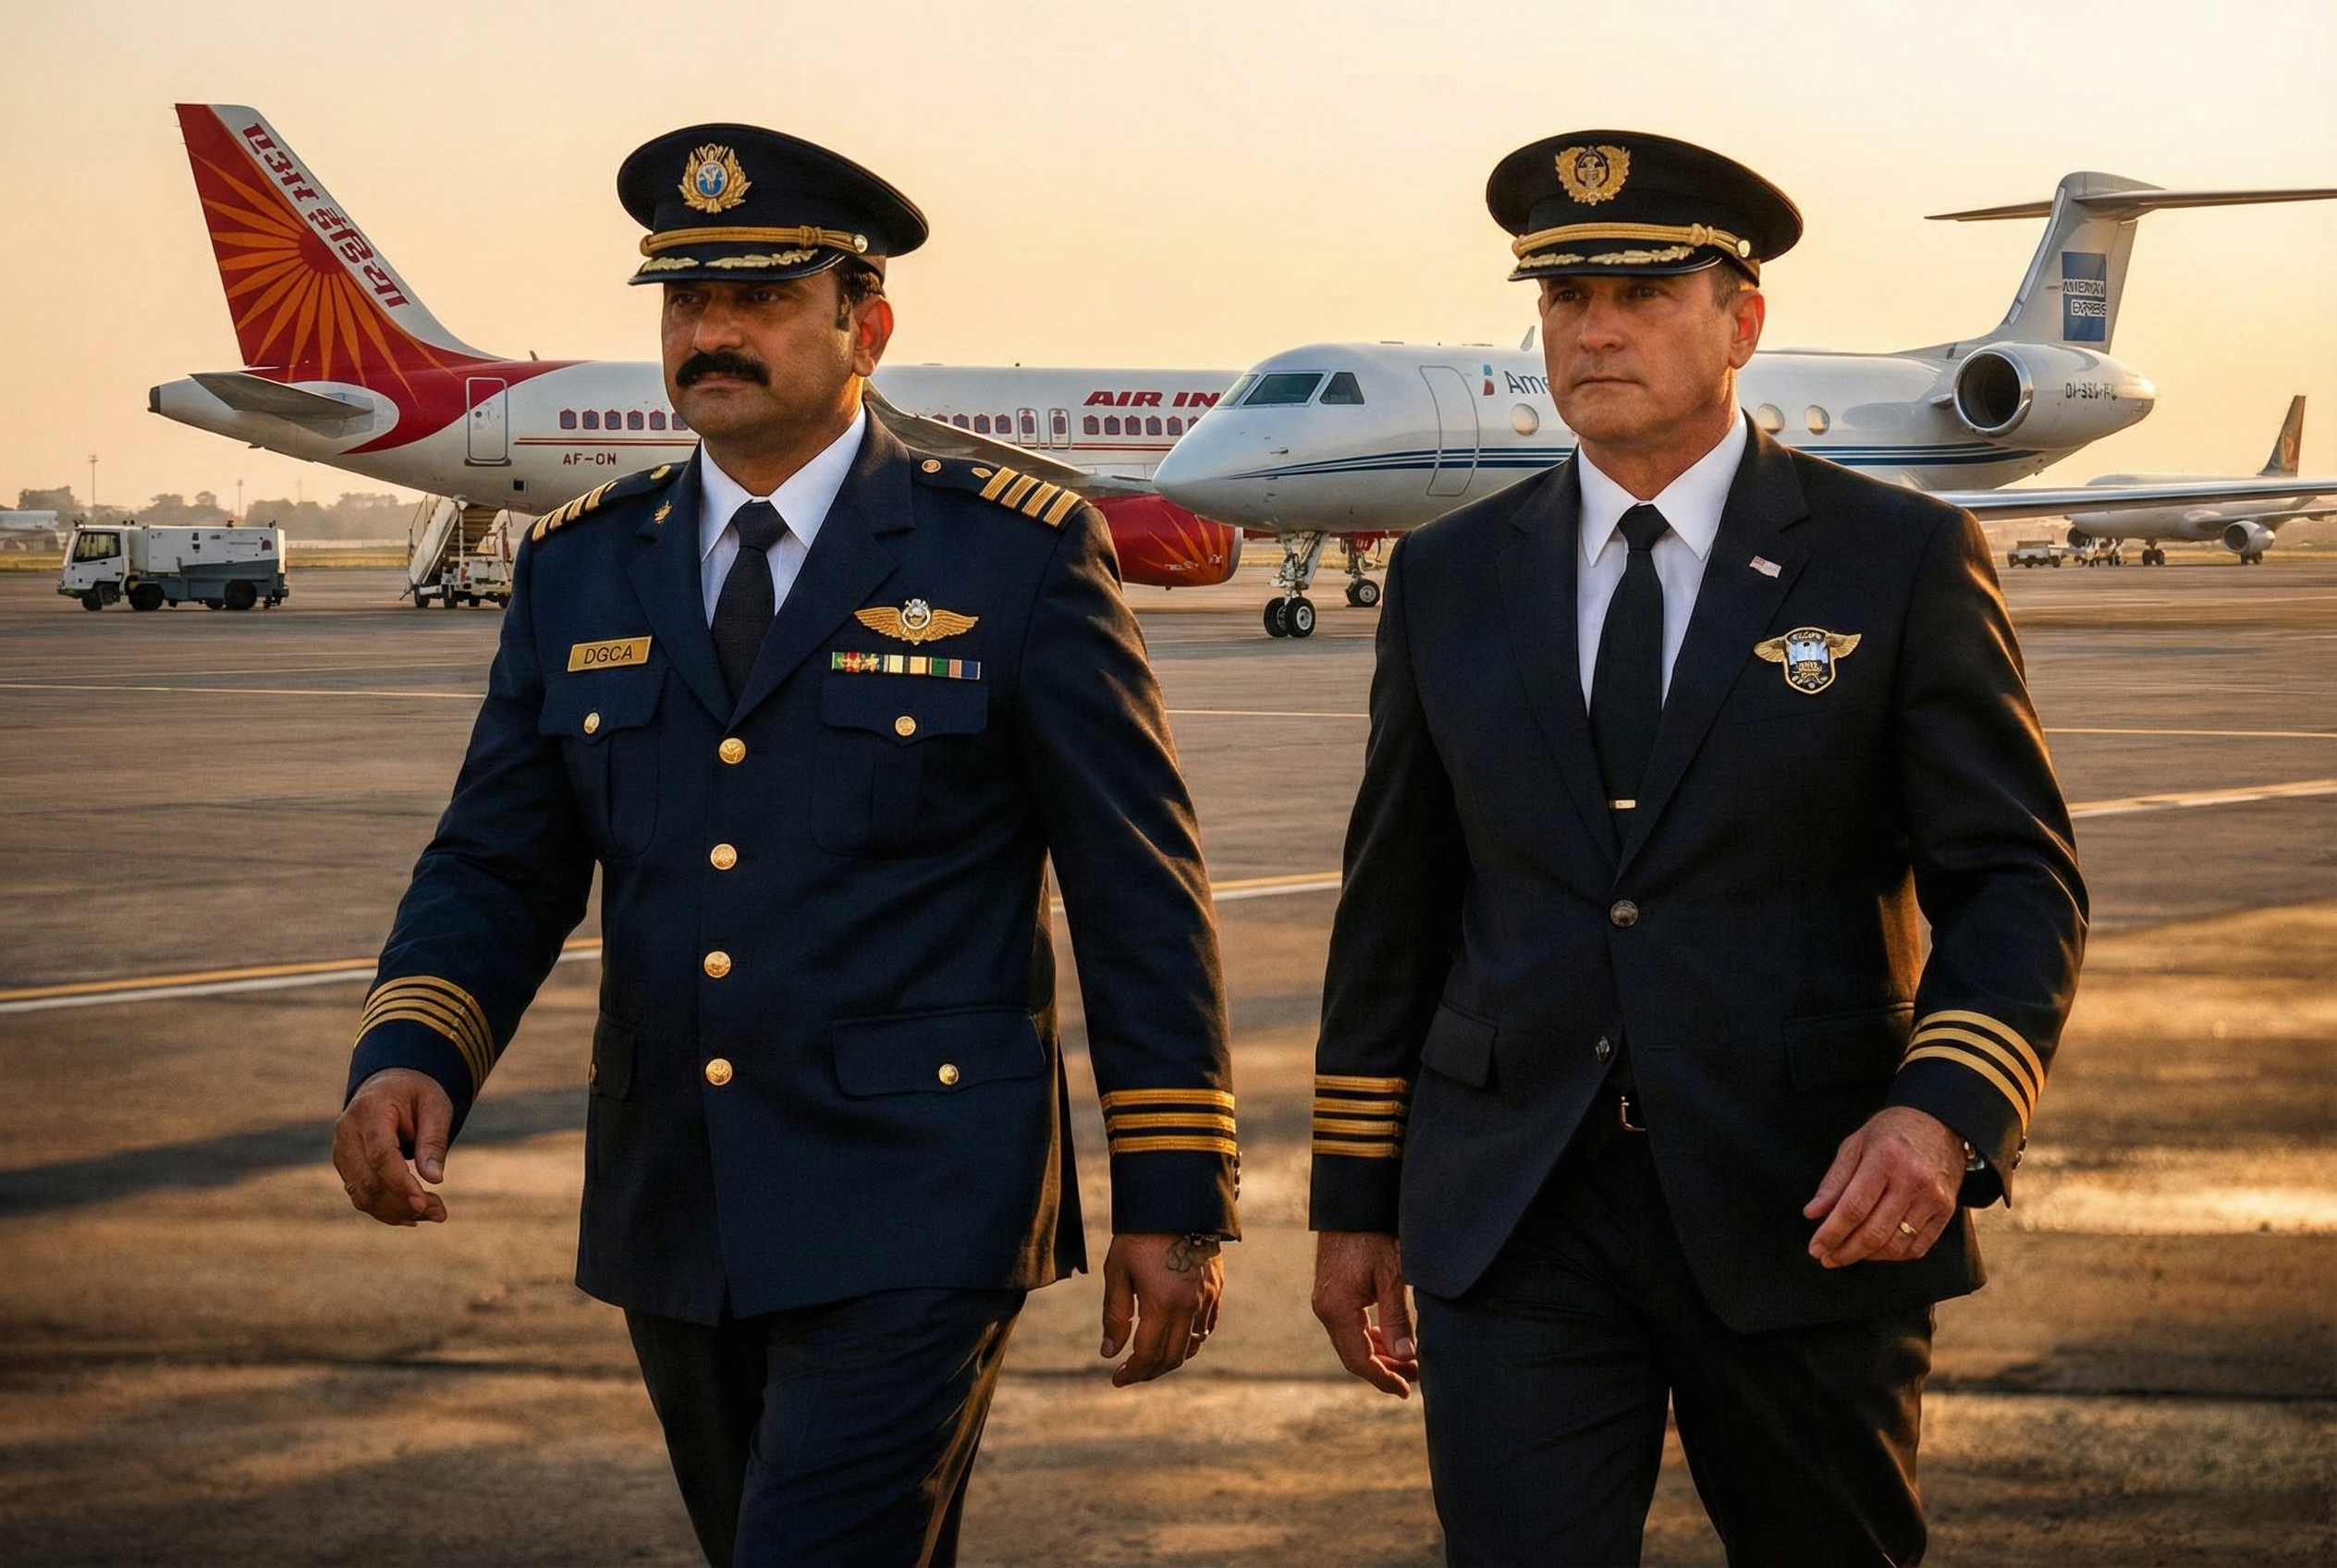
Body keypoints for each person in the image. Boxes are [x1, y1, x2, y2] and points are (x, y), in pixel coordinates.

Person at [331, 124, 1238, 1568]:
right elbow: (498, 860)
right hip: (677, 1194)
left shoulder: (1012, 552)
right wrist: (412, 1050)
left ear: (865, 326)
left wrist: (1176, 1197)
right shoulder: (580, 564)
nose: (712, 335)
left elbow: (1139, 889)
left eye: (758, 301)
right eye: (687, 305)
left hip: (924, 1196)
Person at [1308, 130, 2086, 1565]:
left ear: (1743, 322)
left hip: (1806, 1199)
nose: (1595, 329)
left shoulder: (1895, 558)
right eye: (1562, 298)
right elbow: (1396, 908)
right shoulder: (1450, 575)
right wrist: (1355, 1200)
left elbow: (2015, 879)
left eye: (1645, 295)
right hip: (1515, 1212)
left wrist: (1945, 1112)